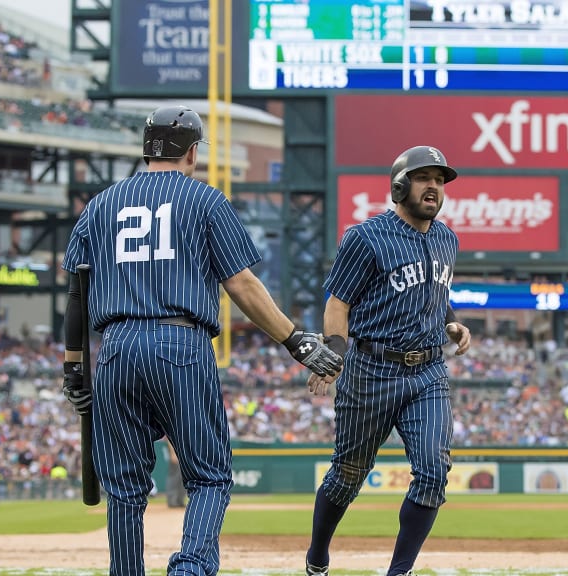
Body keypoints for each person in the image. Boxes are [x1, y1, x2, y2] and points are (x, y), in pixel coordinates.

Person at [60, 105, 344, 576]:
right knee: (210, 477)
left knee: (126, 489)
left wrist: (74, 367)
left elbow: (76, 295)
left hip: (114, 348)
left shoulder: (99, 206)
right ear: (191, 151)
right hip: (180, 344)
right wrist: (296, 341)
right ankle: (190, 568)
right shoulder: (205, 200)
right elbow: (243, 285)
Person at [303, 145, 472, 576]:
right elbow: (337, 304)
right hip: (371, 370)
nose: (434, 186)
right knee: (348, 474)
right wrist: (333, 354)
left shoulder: (447, 238)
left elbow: (435, 292)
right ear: (400, 185)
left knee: (434, 472)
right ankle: (317, 557)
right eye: (423, 178)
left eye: (440, 179)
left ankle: (399, 572)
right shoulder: (364, 238)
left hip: (428, 371)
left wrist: (450, 322)